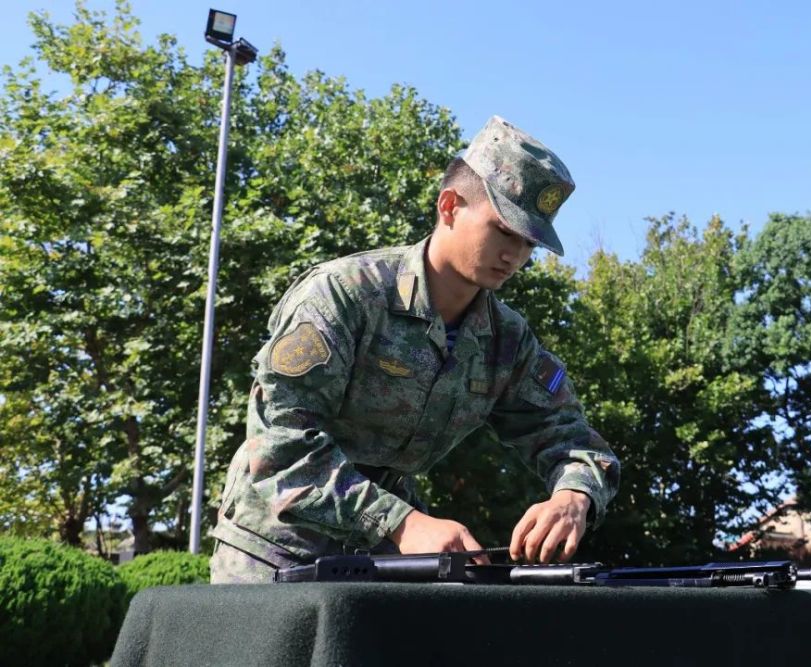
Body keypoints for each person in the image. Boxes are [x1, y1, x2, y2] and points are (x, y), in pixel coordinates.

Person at [210, 115, 620, 583]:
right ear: (450, 206)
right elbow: (279, 445)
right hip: (275, 552)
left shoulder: (506, 340)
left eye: (529, 243)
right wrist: (401, 522)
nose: (516, 256)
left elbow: (571, 437)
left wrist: (573, 496)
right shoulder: (345, 295)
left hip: (385, 560)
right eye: (504, 231)